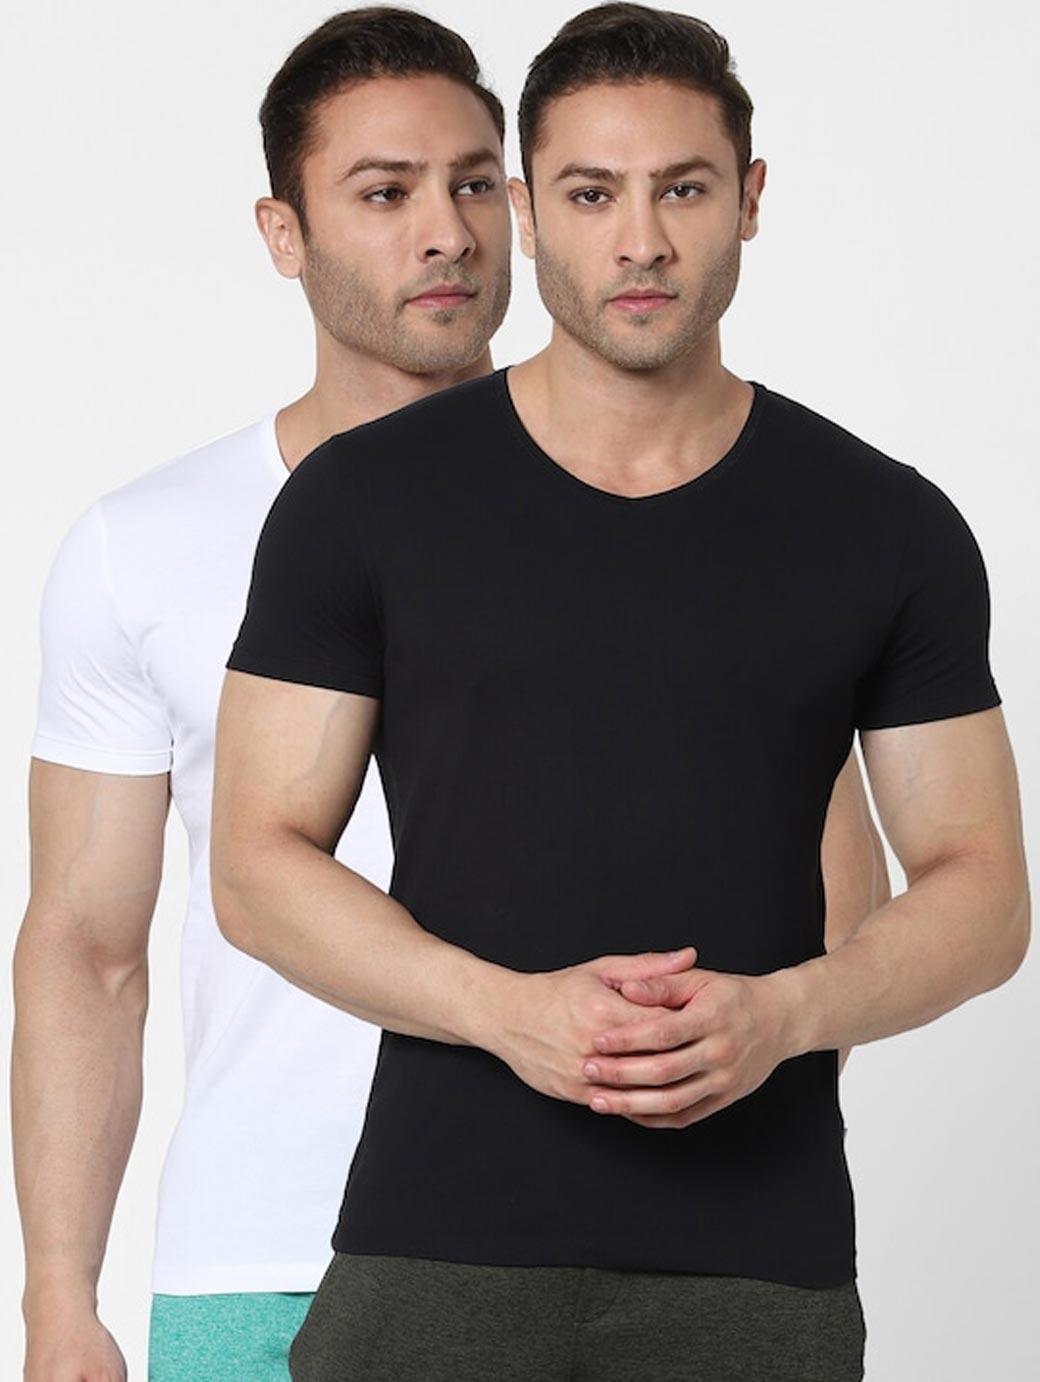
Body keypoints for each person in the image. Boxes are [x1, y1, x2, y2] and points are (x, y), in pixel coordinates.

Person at [212, 4, 1030, 1380]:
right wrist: (507, 1013)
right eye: (593, 194)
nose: (640, 241)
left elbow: (985, 891)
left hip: (756, 1266)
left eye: (684, 190)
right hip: (438, 1244)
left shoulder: (883, 524)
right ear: (530, 213)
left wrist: (787, 1016)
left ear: (750, 200)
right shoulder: (364, 504)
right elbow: (255, 865)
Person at [12, 10, 519, 1381]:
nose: (448, 232)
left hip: (582, 1253)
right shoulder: (146, 545)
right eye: (385, 193)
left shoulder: (652, 507)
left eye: (477, 182)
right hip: (260, 1265)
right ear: (283, 233)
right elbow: (85, 948)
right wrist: (58, 1297)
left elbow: (806, 892)